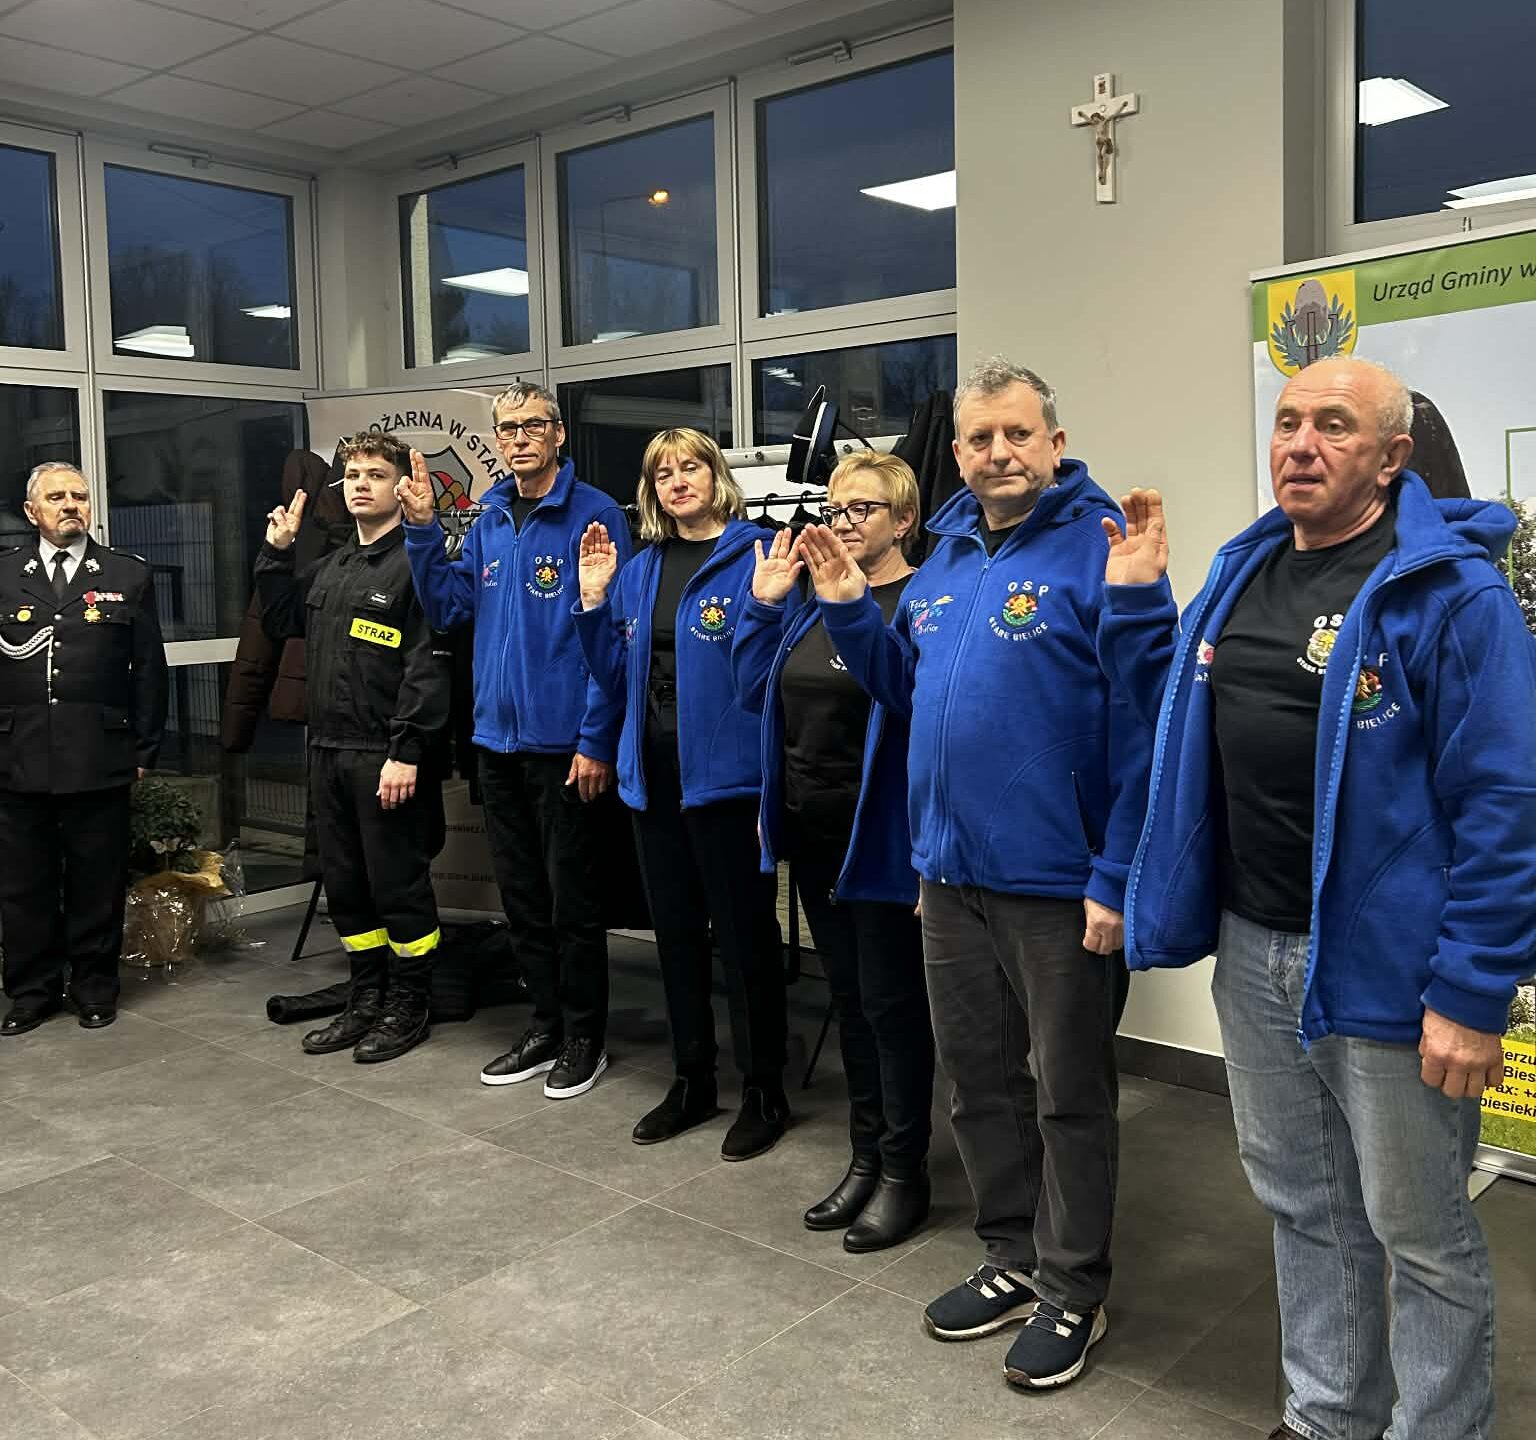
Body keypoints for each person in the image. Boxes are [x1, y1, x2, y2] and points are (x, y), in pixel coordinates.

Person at [1098, 355, 1536, 1440]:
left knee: (1419, 1232)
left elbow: (1506, 801)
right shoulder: (1244, 570)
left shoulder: (1454, 595)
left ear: (1392, 457)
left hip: (1390, 969)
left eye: (1333, 425)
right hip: (1254, 949)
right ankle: (1331, 1413)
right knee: (1302, 1202)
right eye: (1289, 420)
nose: (1299, 443)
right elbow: (1177, 726)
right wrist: (1140, 604)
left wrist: (1473, 990)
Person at [797, 357, 1146, 1390]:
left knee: (1068, 1095)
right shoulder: (944, 554)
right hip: (949, 877)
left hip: (1059, 882)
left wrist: (1116, 874)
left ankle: (1074, 1286)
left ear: (1054, 443)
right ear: (956, 454)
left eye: (1018, 434)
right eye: (981, 438)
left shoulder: (1101, 548)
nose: (999, 452)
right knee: (979, 1083)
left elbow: (1145, 730)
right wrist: (849, 608)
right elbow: (906, 695)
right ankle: (1012, 1255)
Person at [400, 383, 631, 1100]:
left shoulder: (595, 514)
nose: (519, 438)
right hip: (495, 743)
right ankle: (546, 1025)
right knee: (523, 900)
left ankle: (586, 1036)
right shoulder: (490, 515)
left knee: (572, 904)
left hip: (565, 748)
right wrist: (421, 531)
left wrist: (596, 737)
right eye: (507, 428)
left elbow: (613, 637)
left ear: (559, 434)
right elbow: (449, 609)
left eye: (533, 425)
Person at [731, 451, 935, 1251]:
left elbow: (918, 713)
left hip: (880, 842)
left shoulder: (919, 600)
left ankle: (903, 1172)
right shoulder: (816, 599)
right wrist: (763, 605)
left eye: (863, 509)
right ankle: (865, 1157)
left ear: (904, 520)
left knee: (892, 1008)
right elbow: (755, 692)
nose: (843, 522)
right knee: (850, 1002)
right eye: (836, 508)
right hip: (814, 835)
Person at [574, 427, 790, 1161]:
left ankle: (763, 1089)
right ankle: (693, 1079)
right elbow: (613, 676)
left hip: (727, 783)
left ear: (715, 475)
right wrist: (592, 604)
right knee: (675, 939)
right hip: (654, 781)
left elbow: (771, 674)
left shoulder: (758, 553)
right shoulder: (641, 569)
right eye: (662, 473)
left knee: (746, 942)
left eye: (690, 466)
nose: (677, 481)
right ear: (652, 491)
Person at [256, 432, 449, 1064]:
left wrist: (408, 750)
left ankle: (408, 1004)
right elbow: (282, 621)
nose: (361, 484)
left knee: (398, 886)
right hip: (328, 751)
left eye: (375, 474)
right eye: (353, 475)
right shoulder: (333, 566)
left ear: (402, 485)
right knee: (346, 886)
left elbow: (428, 667)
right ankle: (366, 997)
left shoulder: (417, 563)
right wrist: (276, 553)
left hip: (384, 755)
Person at [0, 461, 168, 1035]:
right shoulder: (5, 574)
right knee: (24, 884)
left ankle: (94, 986)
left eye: (79, 495)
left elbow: (150, 671)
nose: (71, 505)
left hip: (100, 754)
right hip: (16, 756)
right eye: (57, 497)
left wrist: (144, 751)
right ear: (32, 512)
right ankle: (31, 991)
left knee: (97, 881)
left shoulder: (126, 574)